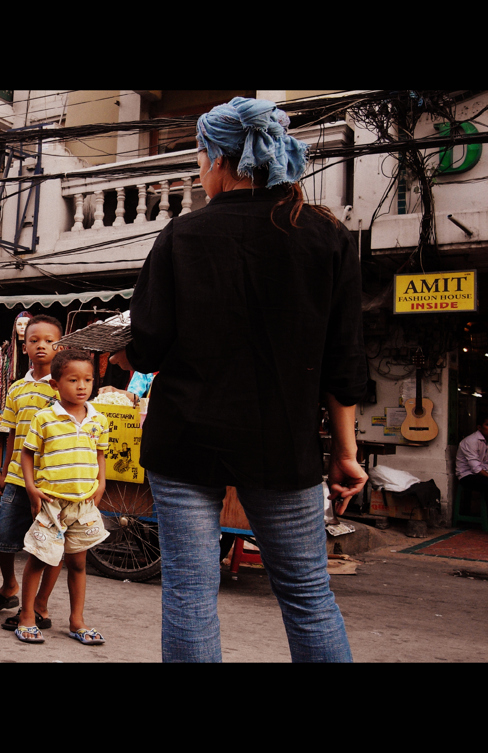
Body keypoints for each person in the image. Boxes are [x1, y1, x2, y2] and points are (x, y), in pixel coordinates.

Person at [111, 96, 368, 662]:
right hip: (283, 444)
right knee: (306, 594)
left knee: (190, 593)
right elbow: (343, 360)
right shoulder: (325, 237)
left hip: (186, 444)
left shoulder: (184, 235)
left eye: (201, 158)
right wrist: (345, 452)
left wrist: (121, 354)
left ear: (221, 161)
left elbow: (147, 349)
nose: (201, 172)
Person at [0, 315, 65, 632]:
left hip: (54, 480)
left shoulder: (66, 386)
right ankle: (9, 585)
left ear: (59, 346)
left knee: (50, 544)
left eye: (49, 340)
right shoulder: (16, 388)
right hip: (15, 477)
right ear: (24, 347)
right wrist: (3, 472)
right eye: (34, 340)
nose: (41, 345)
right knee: (3, 537)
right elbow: (12, 434)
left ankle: (40, 605)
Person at [15, 349, 109, 645]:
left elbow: (100, 454)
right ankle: (27, 616)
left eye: (87, 380)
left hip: (83, 503)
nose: (82, 386)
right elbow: (27, 454)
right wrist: (31, 488)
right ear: (55, 384)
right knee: (39, 559)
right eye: (73, 380)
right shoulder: (45, 417)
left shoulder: (99, 420)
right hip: (51, 503)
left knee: (78, 564)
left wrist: (101, 483)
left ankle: (76, 620)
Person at [456, 415, 488, 498]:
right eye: (487, 425)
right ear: (479, 427)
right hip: (467, 475)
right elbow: (475, 468)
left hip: (482, 473)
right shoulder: (471, 441)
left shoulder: (486, 441)